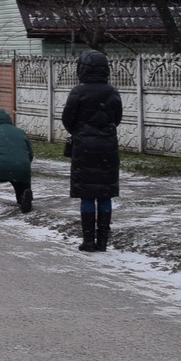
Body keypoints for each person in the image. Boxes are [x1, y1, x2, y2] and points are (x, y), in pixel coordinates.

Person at [61, 49, 123, 250]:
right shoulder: (112, 92)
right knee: (105, 193)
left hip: (84, 147)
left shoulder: (78, 92)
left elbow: (67, 119)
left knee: (87, 193)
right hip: (108, 146)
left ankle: (88, 240)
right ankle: (103, 241)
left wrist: (80, 131)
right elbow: (117, 118)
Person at [0, 108, 33, 217]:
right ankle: (23, 198)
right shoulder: (20, 132)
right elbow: (30, 154)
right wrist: (23, 163)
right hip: (21, 168)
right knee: (21, 176)